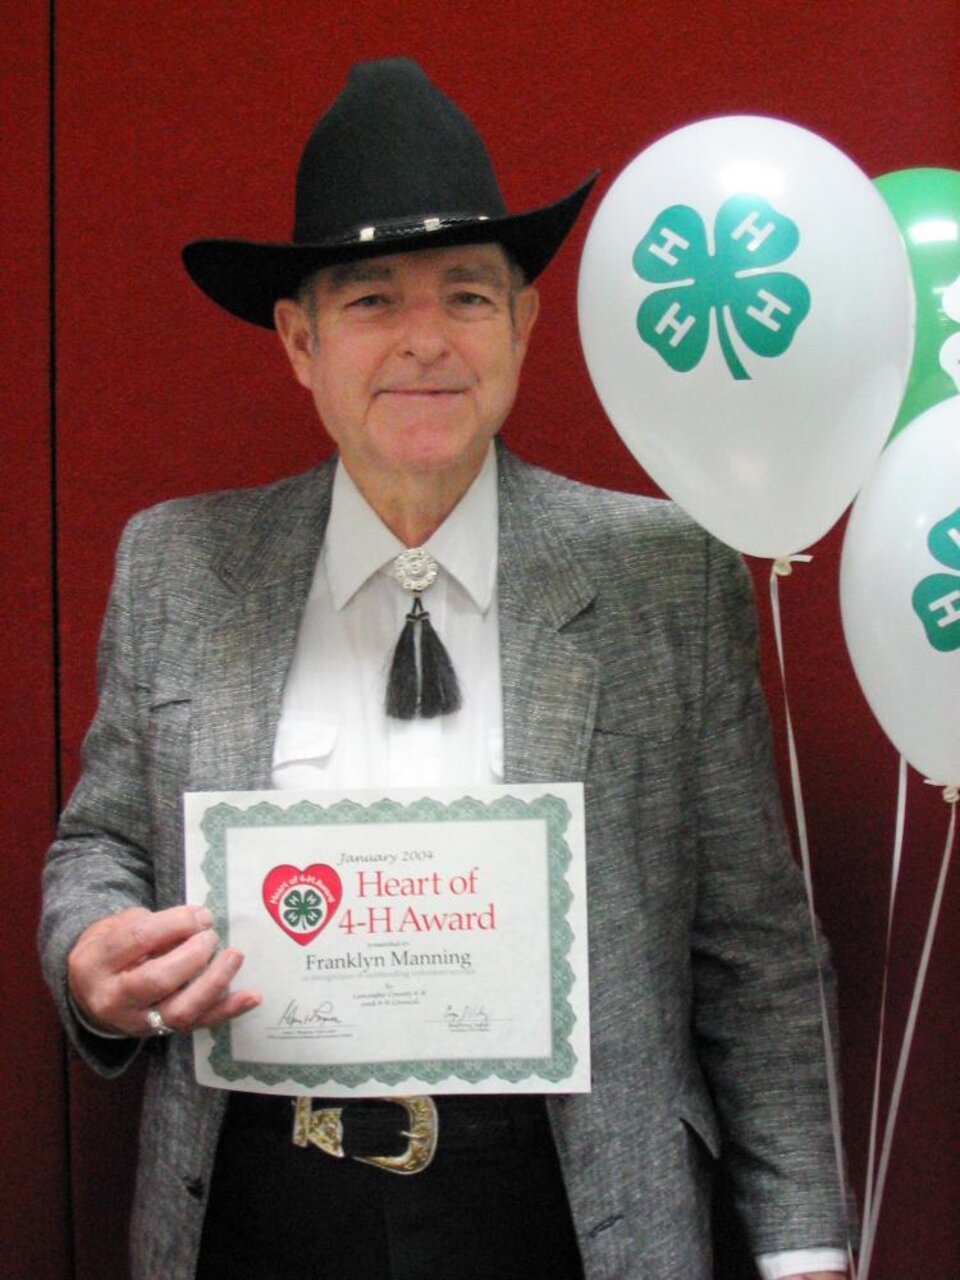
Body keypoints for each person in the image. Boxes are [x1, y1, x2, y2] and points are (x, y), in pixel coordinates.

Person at [40, 57, 851, 1279]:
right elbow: (99, 843)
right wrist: (93, 955)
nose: (425, 339)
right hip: (259, 1205)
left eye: (468, 296)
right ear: (301, 342)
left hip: (572, 1212)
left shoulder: (661, 575)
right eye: (371, 301)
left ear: (521, 326)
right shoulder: (179, 564)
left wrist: (804, 1253)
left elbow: (755, 951)